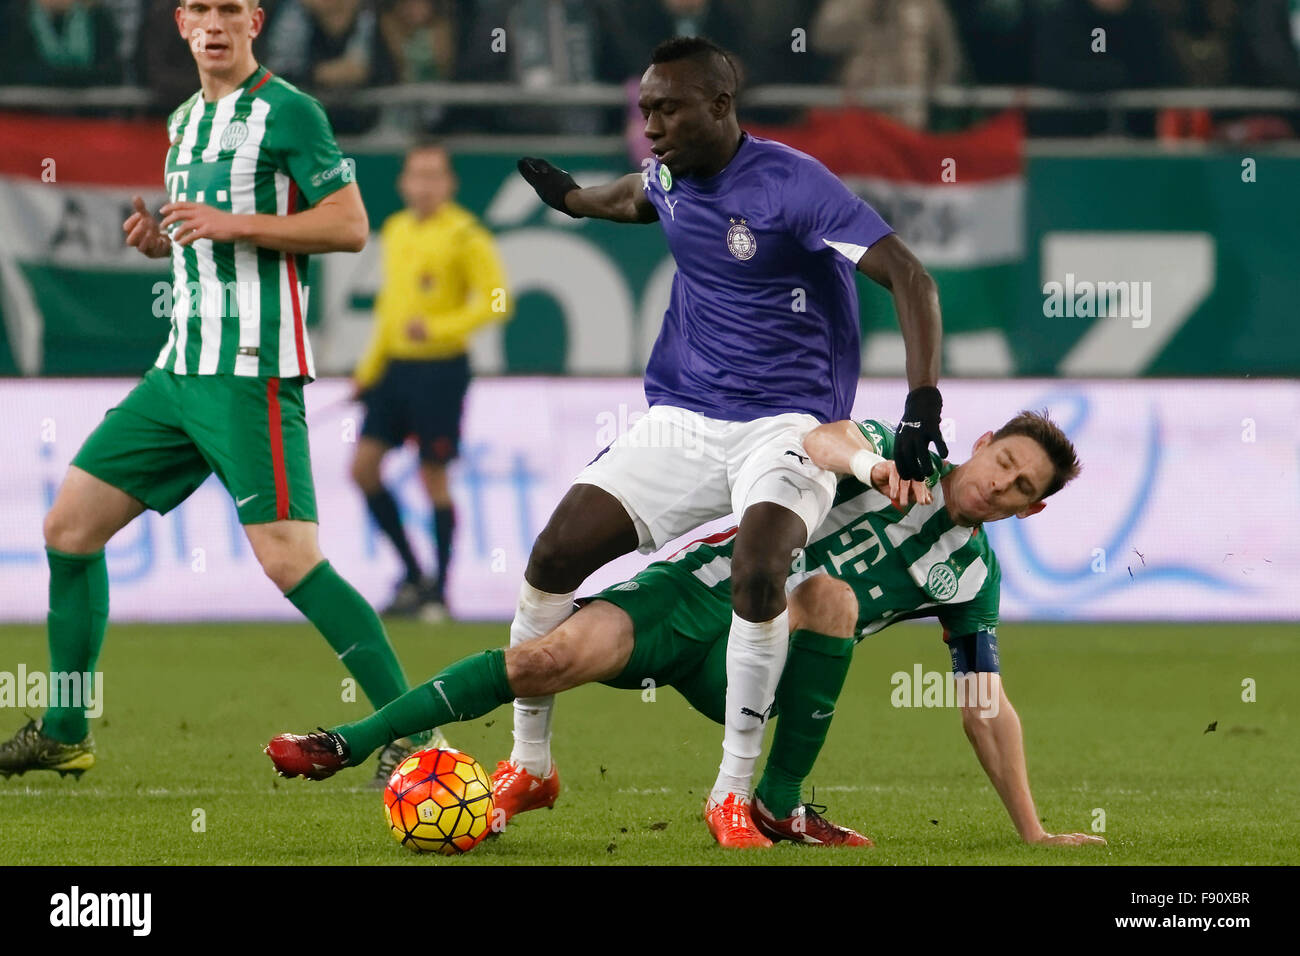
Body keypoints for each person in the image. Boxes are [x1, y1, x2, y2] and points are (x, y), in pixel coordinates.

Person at [267, 409, 1104, 850]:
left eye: (1021, 487)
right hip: (689, 596)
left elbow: (985, 703)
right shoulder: (898, 450)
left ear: (1031, 507)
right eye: (1003, 462)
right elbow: (820, 435)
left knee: (834, 601)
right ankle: (345, 742)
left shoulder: (970, 579)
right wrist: (872, 467)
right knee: (544, 659)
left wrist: (1030, 830)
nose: (1000, 485)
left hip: (758, 667)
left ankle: (775, 807)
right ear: (984, 443)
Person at [506, 36, 947, 846]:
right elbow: (633, 198)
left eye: (667, 109)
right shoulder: (669, 174)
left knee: (758, 567)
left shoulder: (793, 185)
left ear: (719, 105)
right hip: (683, 417)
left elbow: (911, 277)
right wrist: (570, 199)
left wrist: (921, 405)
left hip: (790, 425)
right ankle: (530, 765)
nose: (651, 126)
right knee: (554, 554)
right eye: (644, 112)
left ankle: (731, 794)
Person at [0, 0, 443, 789]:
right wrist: (158, 243)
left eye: (228, 9)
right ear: (179, 23)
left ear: (254, 21)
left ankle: (413, 730)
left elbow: (346, 226)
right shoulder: (182, 123)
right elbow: (202, 242)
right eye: (200, 8)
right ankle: (66, 729)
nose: (213, 22)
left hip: (251, 368)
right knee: (69, 529)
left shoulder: (290, 111)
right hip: (177, 371)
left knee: (288, 559)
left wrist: (233, 224)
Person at [350, 141, 511, 621]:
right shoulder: (396, 231)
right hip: (395, 369)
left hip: (441, 369)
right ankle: (413, 574)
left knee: (433, 475)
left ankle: (439, 591)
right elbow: (390, 309)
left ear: (449, 184)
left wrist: (440, 327)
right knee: (363, 469)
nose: (423, 186)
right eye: (416, 176)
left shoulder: (467, 236)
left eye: (433, 176)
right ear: (403, 183)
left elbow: (499, 301)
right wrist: (368, 372)